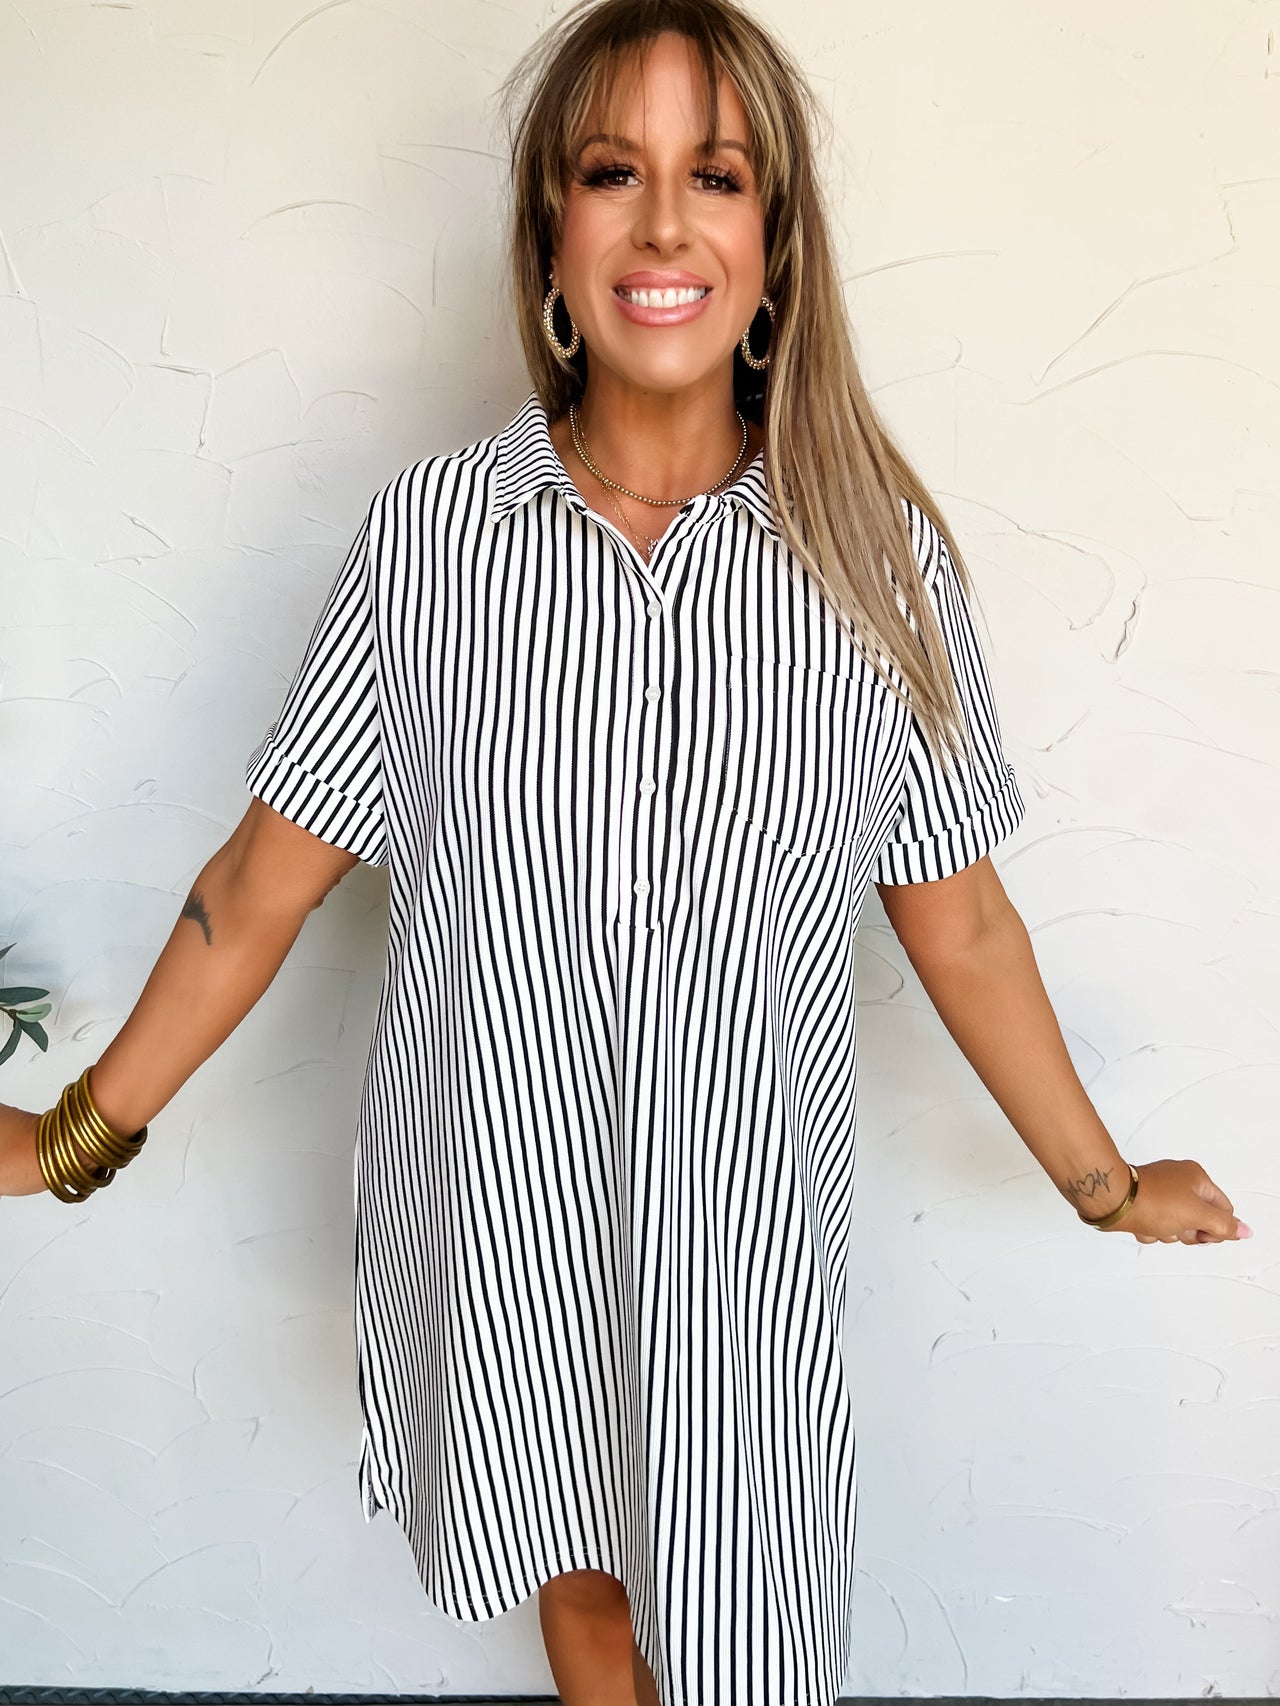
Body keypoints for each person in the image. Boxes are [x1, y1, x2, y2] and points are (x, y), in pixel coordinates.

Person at [0, 1, 1250, 1702]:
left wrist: (1103, 1184)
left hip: (741, 1257)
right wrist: (67, 1136)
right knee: (572, 1572)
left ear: (773, 245)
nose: (664, 222)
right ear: (550, 239)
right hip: (495, 1214)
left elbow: (961, 924)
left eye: (716, 176)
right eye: (614, 171)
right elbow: (255, 889)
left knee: (748, 1638)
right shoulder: (432, 542)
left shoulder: (870, 570)